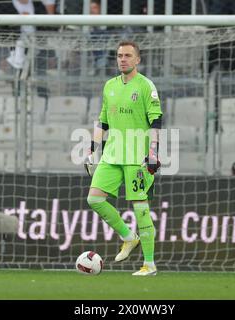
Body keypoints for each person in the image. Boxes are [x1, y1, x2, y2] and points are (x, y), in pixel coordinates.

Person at [85, 41, 163, 276]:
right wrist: (91, 150)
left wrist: (153, 152)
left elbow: (156, 121)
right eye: (119, 55)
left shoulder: (146, 86)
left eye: (128, 55)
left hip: (136, 158)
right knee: (94, 199)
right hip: (112, 155)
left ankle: (149, 264)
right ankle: (129, 237)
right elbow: (103, 121)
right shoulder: (109, 86)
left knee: (141, 209)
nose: (123, 59)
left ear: (137, 59)